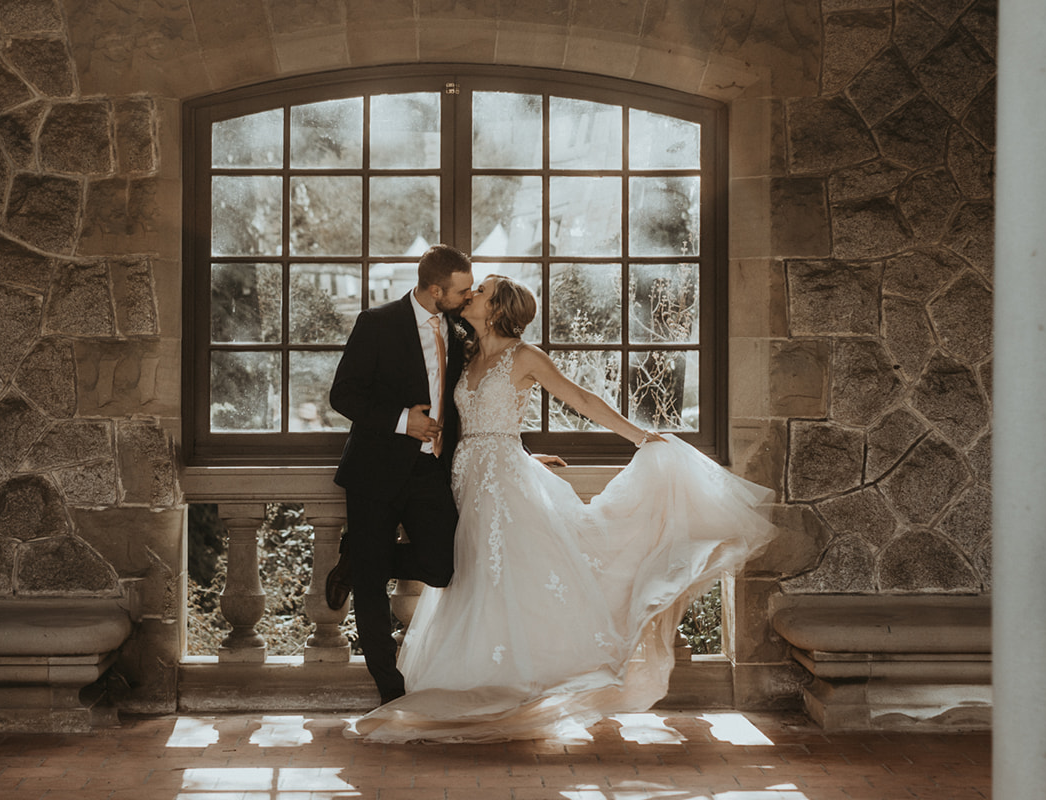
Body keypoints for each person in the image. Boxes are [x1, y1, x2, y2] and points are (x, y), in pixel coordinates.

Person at [351, 274, 775, 743]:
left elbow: (582, 399)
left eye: (481, 292)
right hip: (465, 478)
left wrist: (638, 436)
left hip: (502, 482)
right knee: (471, 572)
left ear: (497, 309)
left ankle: (513, 684)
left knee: (509, 575)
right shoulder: (464, 354)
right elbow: (465, 425)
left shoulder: (526, 356)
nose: (471, 296)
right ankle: (478, 674)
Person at [327, 244, 474, 704]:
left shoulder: (461, 329)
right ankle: (389, 688)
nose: (468, 297)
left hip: (430, 470)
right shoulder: (377, 323)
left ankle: (358, 558)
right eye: (462, 291)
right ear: (436, 290)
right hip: (373, 470)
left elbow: (476, 402)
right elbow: (342, 395)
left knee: (445, 564)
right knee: (371, 588)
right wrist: (401, 420)